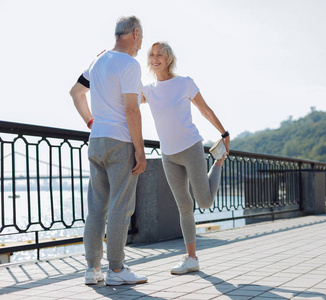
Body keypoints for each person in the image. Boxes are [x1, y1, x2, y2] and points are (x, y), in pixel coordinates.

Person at [69, 16, 148, 286]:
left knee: (96, 208)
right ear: (135, 34)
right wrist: (140, 149)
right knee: (120, 207)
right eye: (142, 38)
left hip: (97, 140)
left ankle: (92, 270)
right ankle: (116, 270)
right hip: (120, 142)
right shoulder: (129, 63)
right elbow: (131, 109)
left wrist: (92, 122)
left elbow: (75, 93)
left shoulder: (98, 60)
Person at [141, 41, 230, 275]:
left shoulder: (185, 83)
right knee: (184, 206)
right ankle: (192, 258)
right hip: (168, 155)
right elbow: (124, 100)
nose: (155, 58)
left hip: (191, 147)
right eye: (152, 55)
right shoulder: (148, 90)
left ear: (168, 58)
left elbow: (205, 110)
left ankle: (218, 163)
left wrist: (224, 133)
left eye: (160, 54)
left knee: (205, 202)